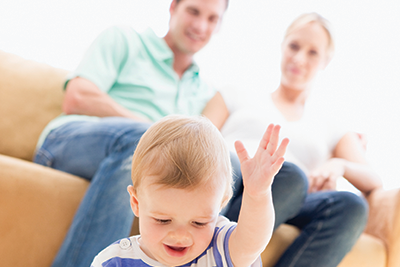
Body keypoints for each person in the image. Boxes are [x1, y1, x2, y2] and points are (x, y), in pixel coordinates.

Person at [33, 1, 306, 266]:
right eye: (194, 11)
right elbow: (78, 96)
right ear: (173, 7)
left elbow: (205, 157)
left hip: (145, 158)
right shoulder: (125, 40)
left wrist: (256, 187)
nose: (201, 25)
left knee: (256, 171)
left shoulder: (205, 92)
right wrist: (156, 137)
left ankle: (210, 251)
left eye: (212, 18)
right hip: (71, 142)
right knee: (141, 143)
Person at [203, 12, 383, 267]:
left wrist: (338, 166)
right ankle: (215, 256)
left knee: (348, 204)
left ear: (326, 61)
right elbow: (195, 139)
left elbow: (373, 179)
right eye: (294, 46)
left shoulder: (331, 125)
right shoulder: (235, 94)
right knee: (228, 163)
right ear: (282, 46)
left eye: (313, 52)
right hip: (231, 177)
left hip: (287, 194)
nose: (299, 58)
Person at [90, 115, 289, 267]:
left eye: (199, 223)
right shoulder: (114, 262)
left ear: (220, 205)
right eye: (163, 220)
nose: (180, 236)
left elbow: (251, 242)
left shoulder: (220, 249)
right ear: (136, 203)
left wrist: (257, 194)